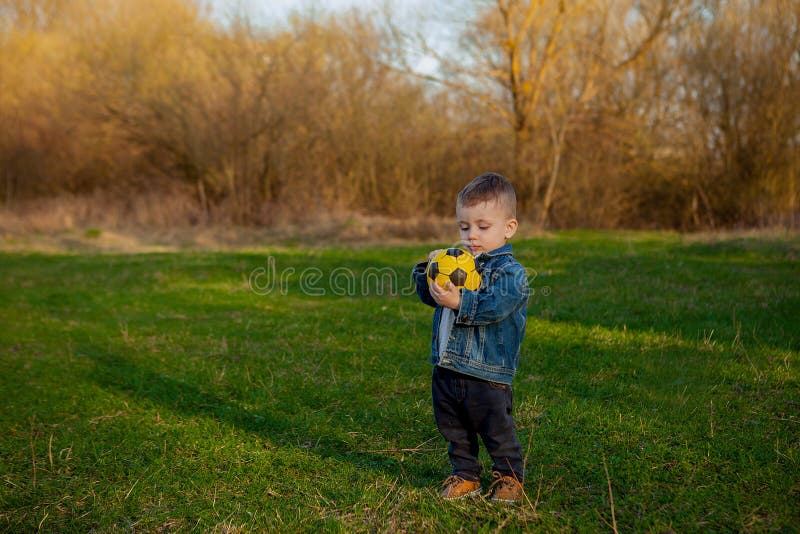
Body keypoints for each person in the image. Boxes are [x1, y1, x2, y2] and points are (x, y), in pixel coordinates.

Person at [412, 172, 530, 503]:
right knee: (454, 427)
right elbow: (428, 296)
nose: (471, 235)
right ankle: (465, 475)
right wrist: (430, 268)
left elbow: (495, 306)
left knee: (496, 428)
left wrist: (460, 302)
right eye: (464, 227)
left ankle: (509, 477)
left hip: (487, 373)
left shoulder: (510, 273)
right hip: (448, 367)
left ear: (508, 228)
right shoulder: (457, 262)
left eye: (482, 227)